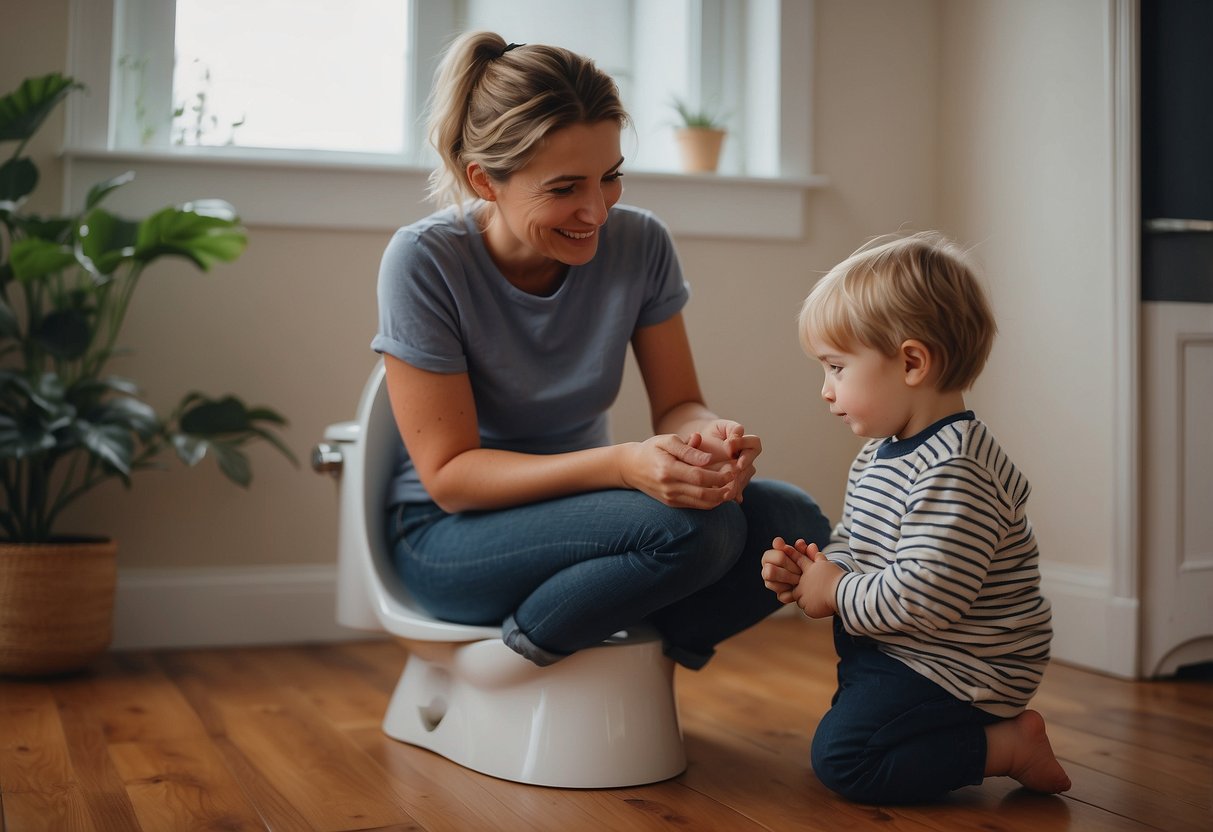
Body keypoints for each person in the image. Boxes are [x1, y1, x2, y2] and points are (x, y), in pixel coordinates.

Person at [372, 30, 830, 671]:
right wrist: (622, 465)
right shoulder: (425, 260)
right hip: (448, 538)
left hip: (585, 519)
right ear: (484, 180)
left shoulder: (640, 243)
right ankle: (516, 659)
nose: (596, 210)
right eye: (563, 188)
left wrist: (708, 438)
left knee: (792, 518)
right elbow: (450, 479)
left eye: (610, 177)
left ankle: (630, 652)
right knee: (696, 530)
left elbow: (679, 403)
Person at [761, 231, 1072, 804]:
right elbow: (859, 543)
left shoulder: (956, 470)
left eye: (835, 367)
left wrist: (836, 592)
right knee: (855, 727)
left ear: (910, 363)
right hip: (906, 649)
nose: (825, 391)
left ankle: (1007, 745)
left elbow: (926, 601)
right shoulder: (879, 453)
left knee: (845, 760)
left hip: (967, 666)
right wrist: (819, 571)